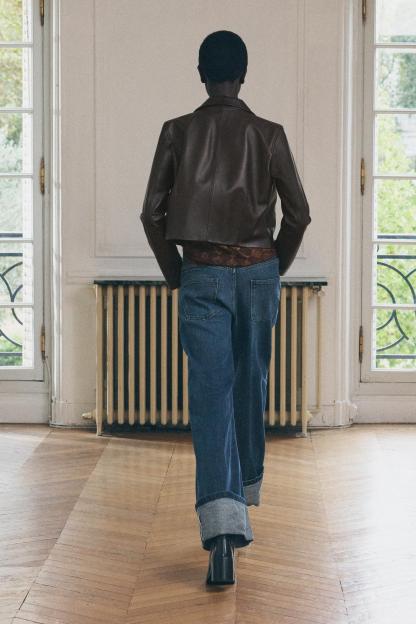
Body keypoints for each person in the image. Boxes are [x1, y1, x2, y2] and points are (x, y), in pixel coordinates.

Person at [140, 30, 311, 585]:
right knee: (251, 386)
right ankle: (246, 491)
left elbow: (152, 214)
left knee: (210, 398)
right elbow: (300, 214)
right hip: (258, 273)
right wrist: (273, 268)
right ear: (244, 75)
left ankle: (221, 535)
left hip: (202, 273)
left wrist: (177, 274)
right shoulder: (269, 134)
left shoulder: (177, 131)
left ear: (201, 74)